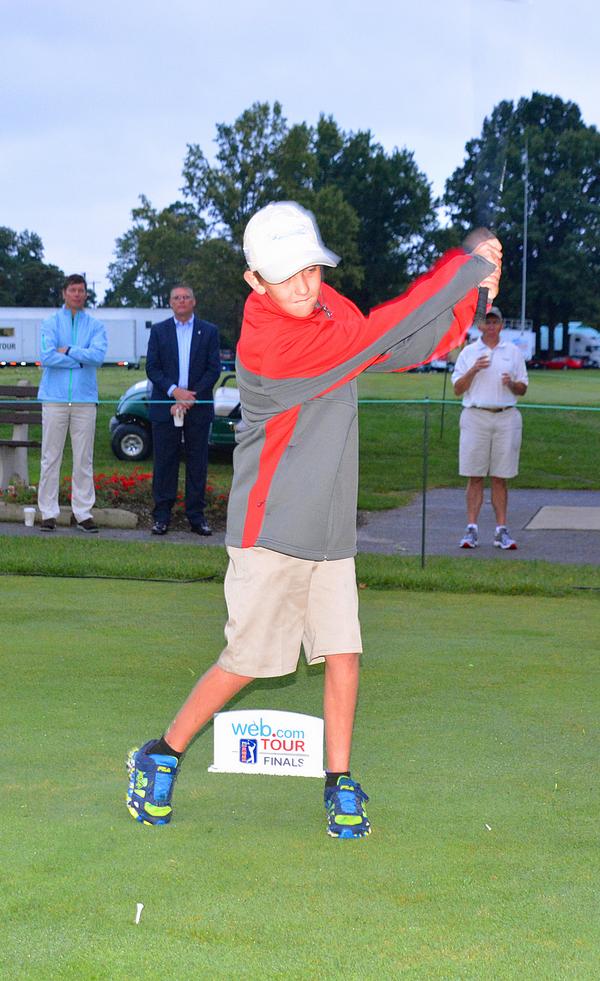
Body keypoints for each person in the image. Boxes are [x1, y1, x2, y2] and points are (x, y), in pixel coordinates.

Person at [127, 202, 501, 838]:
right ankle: (160, 752)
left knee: (344, 653)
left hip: (329, 525)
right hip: (271, 528)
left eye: (311, 268)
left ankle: (339, 782)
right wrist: (463, 270)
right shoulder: (270, 342)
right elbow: (379, 332)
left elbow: (401, 344)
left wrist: (468, 300)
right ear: (255, 281)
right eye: (286, 274)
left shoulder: (330, 310)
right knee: (247, 661)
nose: (304, 283)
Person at [146, 285, 221, 536]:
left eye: (186, 297)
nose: (181, 301)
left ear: (194, 301)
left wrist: (190, 397)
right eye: (176, 298)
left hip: (197, 407)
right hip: (166, 406)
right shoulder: (159, 331)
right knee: (165, 463)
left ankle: (196, 517)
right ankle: (162, 516)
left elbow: (213, 369)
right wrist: (174, 392)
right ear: (170, 303)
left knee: (197, 464)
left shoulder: (209, 331)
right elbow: (152, 368)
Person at [452, 306, 528, 550]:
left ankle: (501, 530)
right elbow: (457, 388)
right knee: (475, 476)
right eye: (488, 322)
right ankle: (471, 529)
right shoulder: (470, 352)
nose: (492, 326)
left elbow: (523, 388)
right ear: (480, 326)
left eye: (496, 322)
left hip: (506, 416)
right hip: (476, 416)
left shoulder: (513, 352)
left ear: (502, 326)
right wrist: (474, 370)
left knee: (500, 477)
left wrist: (512, 384)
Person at [37, 274, 107, 533]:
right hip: (54, 400)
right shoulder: (50, 322)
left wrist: (68, 351)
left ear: (86, 294)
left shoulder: (96, 326)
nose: (77, 294)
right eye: (73, 290)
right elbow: (46, 356)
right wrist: (80, 359)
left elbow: (98, 357)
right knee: (50, 457)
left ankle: (83, 512)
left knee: (83, 459)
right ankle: (48, 512)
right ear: (64, 293)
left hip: (84, 400)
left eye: (81, 290)